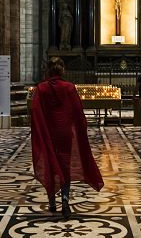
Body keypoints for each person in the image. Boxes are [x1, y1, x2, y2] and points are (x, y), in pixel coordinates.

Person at [31, 57, 104, 218]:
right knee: (65, 166)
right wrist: (80, 129)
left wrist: (38, 130)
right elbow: (78, 112)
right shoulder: (70, 87)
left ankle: (51, 202)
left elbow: (35, 111)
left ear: (48, 70)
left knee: (50, 165)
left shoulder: (41, 88)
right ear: (62, 70)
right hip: (64, 134)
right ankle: (64, 199)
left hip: (48, 133)